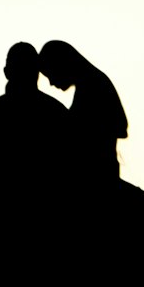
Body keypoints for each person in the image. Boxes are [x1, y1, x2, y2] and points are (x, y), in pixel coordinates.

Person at [38, 41, 127, 185]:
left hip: (96, 174)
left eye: (50, 74)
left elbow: (77, 133)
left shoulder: (92, 87)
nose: (51, 83)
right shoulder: (93, 83)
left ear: (61, 65)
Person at [0, 42, 69, 188]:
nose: (25, 74)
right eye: (22, 68)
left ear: (7, 72)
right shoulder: (57, 113)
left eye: (28, 68)